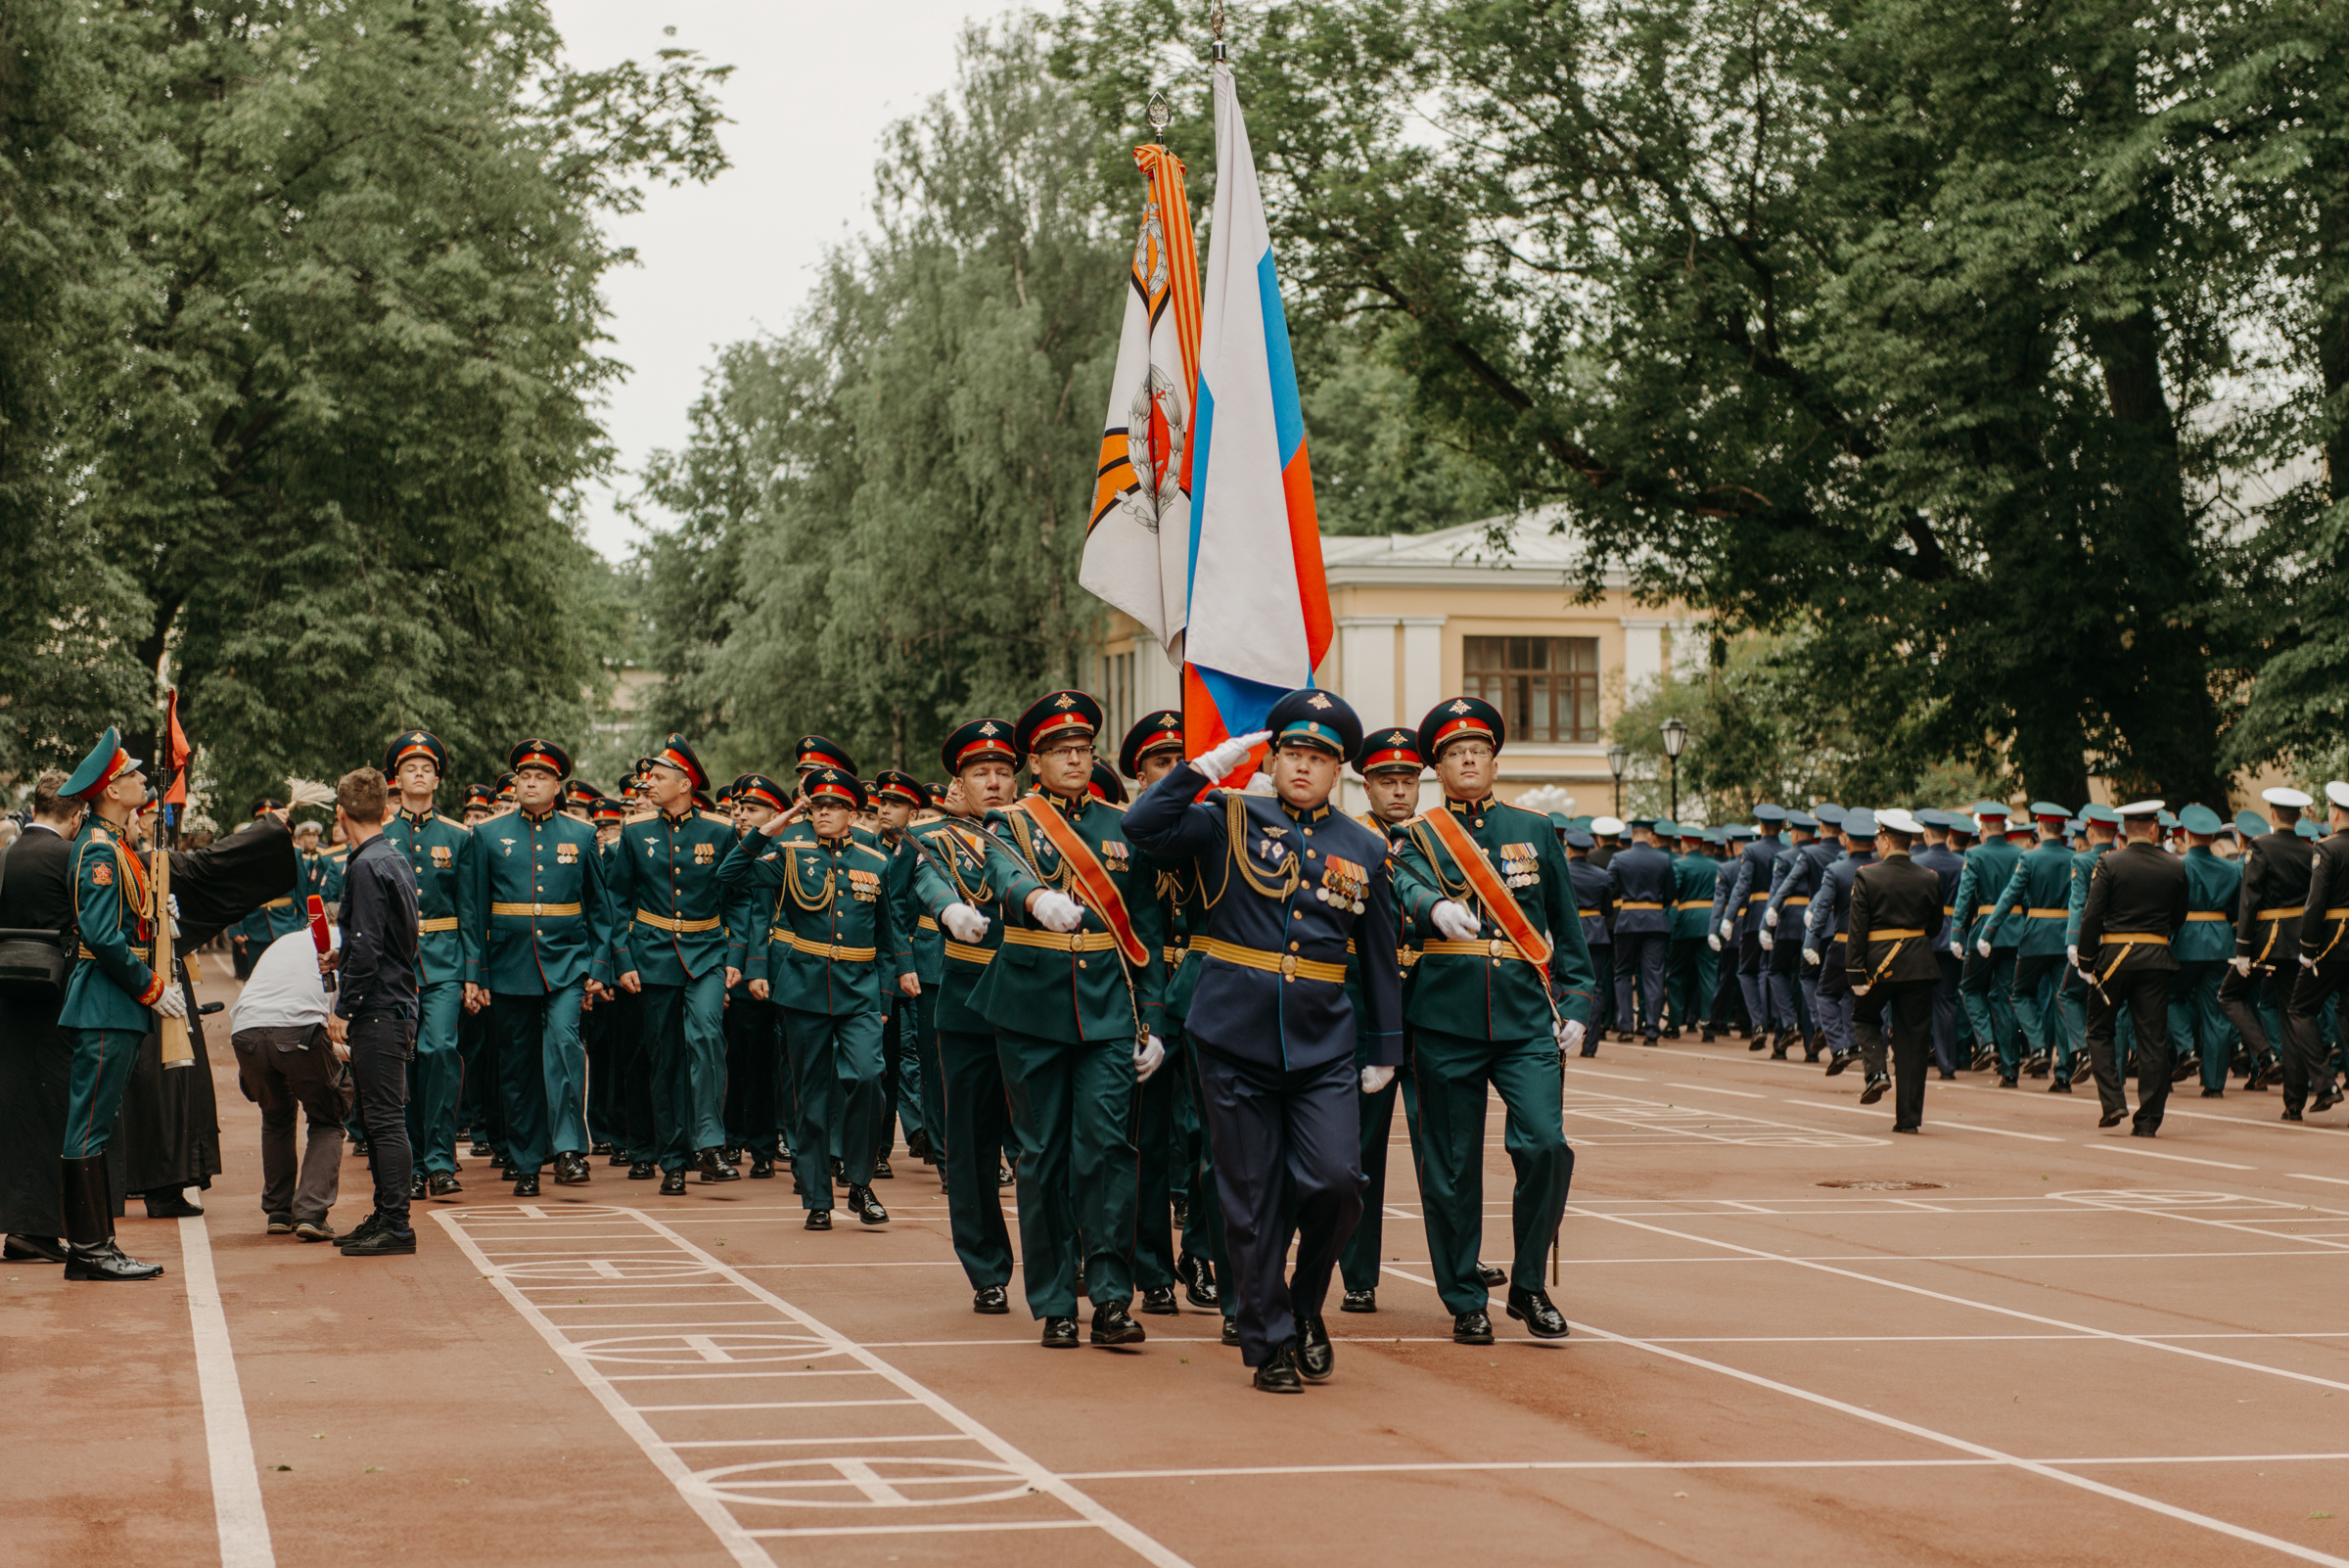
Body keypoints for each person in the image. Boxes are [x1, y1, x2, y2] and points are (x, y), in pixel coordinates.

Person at [1127, 691, 1401, 1391]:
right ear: (1273, 759)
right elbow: (1141, 825)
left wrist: (1384, 1047)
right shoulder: (1227, 816)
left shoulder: (1364, 846)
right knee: (1249, 1200)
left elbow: (1376, 955)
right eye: (1293, 754)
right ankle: (1271, 1340)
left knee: (1340, 1184)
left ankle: (1304, 1305)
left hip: (1323, 1041)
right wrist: (1202, 768)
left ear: (1338, 769)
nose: (1304, 768)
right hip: (1233, 1035)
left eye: (1319, 758)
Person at [1389, 696, 1594, 1347]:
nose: (1467, 759)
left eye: (1477, 750)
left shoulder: (1535, 831)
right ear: (1437, 769)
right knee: (1450, 1166)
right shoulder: (1416, 836)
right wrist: (1432, 909)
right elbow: (1408, 887)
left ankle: (1529, 1285)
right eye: (1454, 753)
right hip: (1445, 1020)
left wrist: (1581, 1006)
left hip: (1525, 1017)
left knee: (1545, 1144)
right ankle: (1463, 1296)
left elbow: (1568, 929)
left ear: (1495, 762)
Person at [966, 691, 1164, 1349]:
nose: (1076, 759)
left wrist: (1155, 1019)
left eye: (1083, 749)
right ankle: (1054, 1300)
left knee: (1107, 1150)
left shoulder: (1124, 826)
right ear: (1036, 761)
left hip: (1109, 1009)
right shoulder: (1009, 824)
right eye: (1061, 751)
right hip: (1030, 1010)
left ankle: (1110, 1296)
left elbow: (1149, 931)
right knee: (1042, 1154)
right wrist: (1036, 900)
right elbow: (1003, 878)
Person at [726, 767, 912, 1229]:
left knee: (869, 1078)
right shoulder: (789, 853)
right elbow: (729, 875)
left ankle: (861, 1181)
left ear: (852, 812)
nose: (823, 813)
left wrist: (884, 1002)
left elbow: (888, 940)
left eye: (833, 806)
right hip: (805, 989)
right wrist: (772, 827)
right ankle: (817, 1198)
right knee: (809, 1096)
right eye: (816, 805)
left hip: (861, 991)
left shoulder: (875, 861)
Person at [905, 720, 1024, 1312]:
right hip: (970, 1001)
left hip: (1039, 1001)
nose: (995, 783)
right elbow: (925, 881)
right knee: (974, 1142)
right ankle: (987, 1269)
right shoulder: (933, 838)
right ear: (961, 782)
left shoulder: (1042, 833)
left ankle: (1070, 1255)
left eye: (1004, 772)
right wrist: (951, 910)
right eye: (982, 774)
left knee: (1047, 1142)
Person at [53, 729, 179, 1281]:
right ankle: (89, 1249)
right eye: (132, 775)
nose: (142, 782)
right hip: (107, 1001)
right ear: (110, 789)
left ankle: (97, 1244)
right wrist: (151, 987)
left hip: (112, 1002)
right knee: (88, 1127)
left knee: (95, 1125)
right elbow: (103, 938)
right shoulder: (101, 851)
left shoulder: (114, 844)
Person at [467, 739, 617, 1197]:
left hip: (567, 963)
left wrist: (598, 964)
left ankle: (569, 1149)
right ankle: (527, 1159)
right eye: (524, 777)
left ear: (557, 785)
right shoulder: (488, 835)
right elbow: (474, 909)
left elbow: (601, 910)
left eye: (541, 777)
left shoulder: (581, 834)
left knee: (564, 1044)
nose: (530, 782)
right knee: (517, 1065)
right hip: (509, 965)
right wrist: (477, 973)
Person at [609, 735, 742, 1194]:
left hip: (706, 952)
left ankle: (709, 1144)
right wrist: (622, 957)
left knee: (706, 1034)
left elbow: (738, 900)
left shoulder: (720, 832)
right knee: (663, 1056)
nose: (649, 784)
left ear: (685, 784)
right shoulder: (635, 832)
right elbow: (617, 900)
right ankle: (673, 1161)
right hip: (652, 953)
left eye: (659, 777)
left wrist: (736, 956)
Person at [1336, 725, 1427, 1314]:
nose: (1398, 792)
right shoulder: (1346, 842)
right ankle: (1358, 1273)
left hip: (1429, 1001)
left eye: (1408, 781)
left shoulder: (1438, 842)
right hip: (1364, 1005)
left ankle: (1458, 1259)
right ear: (1363, 783)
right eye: (1386, 781)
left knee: (1442, 1148)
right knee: (1361, 1151)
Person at [323, 766, 422, 1256]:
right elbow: (387, 937)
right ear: (385, 811)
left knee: (383, 1119)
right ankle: (385, 1213)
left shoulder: (364, 865)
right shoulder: (392, 855)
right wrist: (346, 958)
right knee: (379, 1115)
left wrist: (344, 1006)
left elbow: (365, 945)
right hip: (393, 999)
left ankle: (397, 1223)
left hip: (379, 1007)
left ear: (341, 816)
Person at [379, 730, 477, 1200]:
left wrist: (474, 973)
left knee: (439, 1051)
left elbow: (471, 908)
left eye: (426, 768)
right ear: (395, 779)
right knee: (404, 1062)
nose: (418, 774)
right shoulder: (381, 833)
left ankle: (440, 1160)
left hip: (444, 962)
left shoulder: (459, 836)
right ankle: (413, 1162)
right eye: (409, 768)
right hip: (394, 963)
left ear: (437, 779)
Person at [0, 771, 84, 1264]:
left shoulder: (6, 857)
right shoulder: (71, 856)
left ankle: (17, 1224)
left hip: (9, 999)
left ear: (34, 808)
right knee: (58, 1108)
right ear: (75, 816)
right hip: (59, 996)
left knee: (15, 1109)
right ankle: (45, 1227)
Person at [229, 924, 354, 1240]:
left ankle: (279, 1211)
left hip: (245, 1032)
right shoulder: (345, 946)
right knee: (327, 1116)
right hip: (298, 1030)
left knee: (276, 1115)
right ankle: (311, 1212)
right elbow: (331, 1030)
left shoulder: (286, 941)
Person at [2077, 800, 2188, 1134]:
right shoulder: (2175, 866)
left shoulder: (2109, 863)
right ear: (2154, 829)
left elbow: (2092, 914)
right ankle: (2149, 1120)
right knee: (2153, 1040)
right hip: (2155, 958)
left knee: (2099, 1030)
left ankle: (2113, 1102)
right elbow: (2179, 916)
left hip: (2114, 960)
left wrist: (2085, 959)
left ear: (2125, 830)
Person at [1845, 808, 1945, 1131]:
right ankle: (1909, 1120)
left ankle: (1876, 1072)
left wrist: (1855, 973)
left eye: (1878, 837)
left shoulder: (1867, 876)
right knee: (1913, 1043)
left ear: (1886, 840)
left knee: (1864, 1016)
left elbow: (1857, 930)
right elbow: (1934, 927)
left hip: (1879, 967)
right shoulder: (1929, 878)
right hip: (1918, 966)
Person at [720, 775, 792, 1178]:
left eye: (752, 809)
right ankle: (738, 1141)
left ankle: (770, 1141)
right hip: (742, 969)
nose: (741, 815)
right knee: (743, 1059)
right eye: (739, 809)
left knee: (776, 1063)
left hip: (781, 967)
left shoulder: (788, 852)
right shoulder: (731, 851)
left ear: (773, 815)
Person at [2224, 788, 2315, 1097]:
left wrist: (2242, 950)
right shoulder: (2310, 851)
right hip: (2298, 942)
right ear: (2300, 817)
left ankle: (2266, 1055)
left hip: (2266, 940)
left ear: (2272, 815)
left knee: (2228, 996)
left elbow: (2249, 901)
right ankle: (2294, 1101)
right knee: (2292, 1018)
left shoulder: (2260, 848)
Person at [1986, 803, 2078, 1080]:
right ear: (2063, 829)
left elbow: (2010, 897)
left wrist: (1990, 929)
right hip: (2064, 937)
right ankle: (2063, 1074)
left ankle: (2036, 1047)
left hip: (2036, 936)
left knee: (2018, 993)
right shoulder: (2074, 858)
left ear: (2039, 828)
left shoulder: (2029, 859)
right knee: (2062, 1001)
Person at [2282, 782, 2349, 1121]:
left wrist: (2307, 949)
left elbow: (2315, 904)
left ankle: (2325, 1083)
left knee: (2299, 1009)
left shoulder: (2327, 849)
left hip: (2332, 944)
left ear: (2335, 813)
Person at [2168, 804, 2241, 1097]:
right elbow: (2236, 913)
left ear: (2186, 834)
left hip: (2185, 941)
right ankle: (2214, 1084)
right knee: (2216, 1013)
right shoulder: (2231, 869)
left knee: (2171, 995)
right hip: (2221, 943)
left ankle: (2186, 1048)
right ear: (2212, 837)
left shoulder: (2178, 864)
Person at [1952, 803, 2025, 1081]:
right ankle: (2010, 1069)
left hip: (1984, 931)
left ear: (1982, 828)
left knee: (1970, 988)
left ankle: (1987, 1042)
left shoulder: (1975, 854)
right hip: (2014, 932)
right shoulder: (2020, 854)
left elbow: (1965, 895)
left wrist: (1957, 931)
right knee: (2008, 999)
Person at [1606, 818, 1675, 1045]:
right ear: (1651, 836)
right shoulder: (1663, 859)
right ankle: (1652, 1030)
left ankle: (1626, 1027)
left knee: (1623, 973)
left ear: (1632, 834)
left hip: (1627, 922)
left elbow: (1608, 888)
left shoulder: (1619, 858)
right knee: (1654, 975)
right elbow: (1671, 893)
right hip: (1655, 920)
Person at [1725, 803, 1788, 1046]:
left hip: (1755, 917)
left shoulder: (1751, 851)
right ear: (1781, 827)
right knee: (1775, 973)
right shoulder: (1787, 849)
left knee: (1747, 970)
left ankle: (1759, 1024)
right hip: (1779, 915)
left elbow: (1742, 887)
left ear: (1761, 826)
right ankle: (1780, 1033)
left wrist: (1729, 917)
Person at [1564, 829, 1613, 1054]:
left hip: (1568, 932)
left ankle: (1560, 1036)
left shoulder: (1562, 872)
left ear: (1569, 848)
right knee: (1596, 987)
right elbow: (1608, 909)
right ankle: (1590, 1045)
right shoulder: (1602, 874)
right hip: (1596, 932)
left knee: (1560, 983)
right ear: (1589, 850)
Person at [1667, 825, 1718, 1040]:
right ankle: (1708, 1025)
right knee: (1709, 975)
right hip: (1710, 923)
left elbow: (1672, 893)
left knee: (1677, 974)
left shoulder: (1680, 865)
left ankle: (1674, 1024)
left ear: (1685, 844)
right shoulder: (1716, 866)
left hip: (1685, 923)